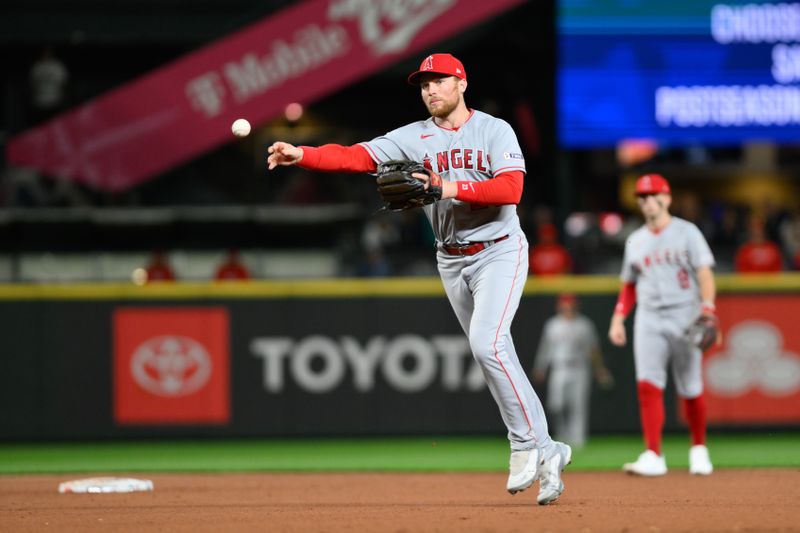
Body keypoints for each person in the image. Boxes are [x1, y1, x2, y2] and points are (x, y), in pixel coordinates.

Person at [267, 53, 571, 505]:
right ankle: (548, 448)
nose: (430, 90)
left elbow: (511, 190)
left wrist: (441, 187)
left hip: (499, 250)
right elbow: (355, 157)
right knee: (491, 354)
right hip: (450, 258)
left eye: (439, 81)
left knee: (488, 344)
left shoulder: (494, 130)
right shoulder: (413, 136)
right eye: (424, 84)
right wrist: (302, 154)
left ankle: (524, 445)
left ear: (461, 82)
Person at [608, 173, 718, 476]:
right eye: (642, 197)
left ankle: (699, 449)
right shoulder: (636, 239)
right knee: (648, 384)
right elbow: (628, 285)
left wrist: (707, 309)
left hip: (686, 314)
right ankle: (654, 454)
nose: (647, 201)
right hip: (649, 316)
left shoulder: (687, 232)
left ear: (667, 198)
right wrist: (619, 317)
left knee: (691, 385)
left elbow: (705, 273)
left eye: (653, 195)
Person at [532, 293, 613, 448]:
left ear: (576, 306)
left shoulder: (584, 324)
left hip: (580, 368)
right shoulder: (552, 324)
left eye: (570, 305)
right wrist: (540, 368)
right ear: (559, 306)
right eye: (565, 305)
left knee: (578, 406)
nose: (568, 308)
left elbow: (593, 350)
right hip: (559, 368)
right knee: (555, 405)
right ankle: (562, 436)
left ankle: (578, 441)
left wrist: (600, 369)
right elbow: (545, 349)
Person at [28, 46, 69, 125]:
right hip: (39, 102)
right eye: (44, 53)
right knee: (40, 125)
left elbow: (63, 83)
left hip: (54, 101)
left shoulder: (57, 66)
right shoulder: (37, 67)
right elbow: (32, 84)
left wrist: (61, 98)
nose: (45, 55)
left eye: (47, 53)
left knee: (54, 125)